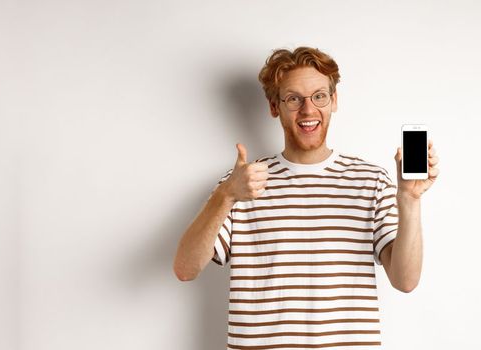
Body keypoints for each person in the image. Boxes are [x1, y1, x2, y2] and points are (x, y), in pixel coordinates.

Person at [173, 46, 439, 349]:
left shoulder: (371, 181)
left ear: (334, 100)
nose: (308, 110)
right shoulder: (240, 185)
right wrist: (225, 195)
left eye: (319, 96)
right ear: (275, 106)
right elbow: (185, 269)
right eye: (293, 99)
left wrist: (410, 199)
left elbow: (405, 281)